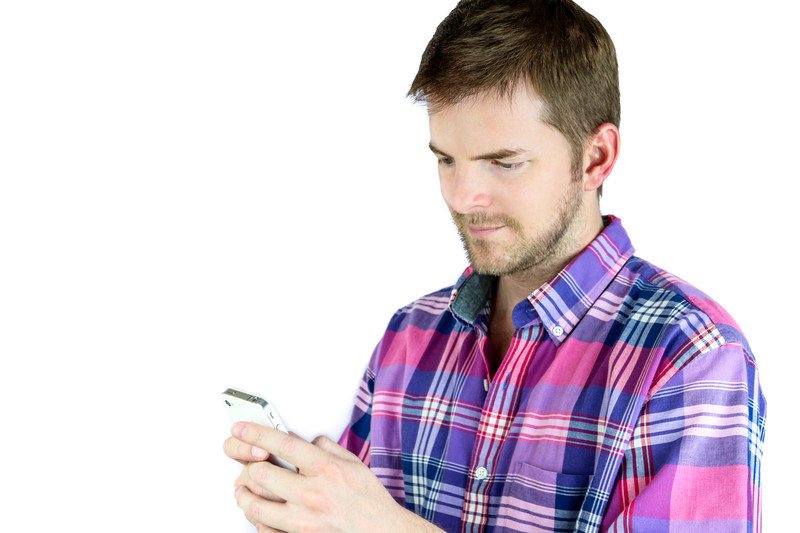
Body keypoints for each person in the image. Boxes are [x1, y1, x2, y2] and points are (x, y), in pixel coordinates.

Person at [223, 0, 767, 531]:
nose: (463, 197)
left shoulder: (692, 357)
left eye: (504, 163)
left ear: (595, 158)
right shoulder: (409, 337)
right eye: (445, 159)